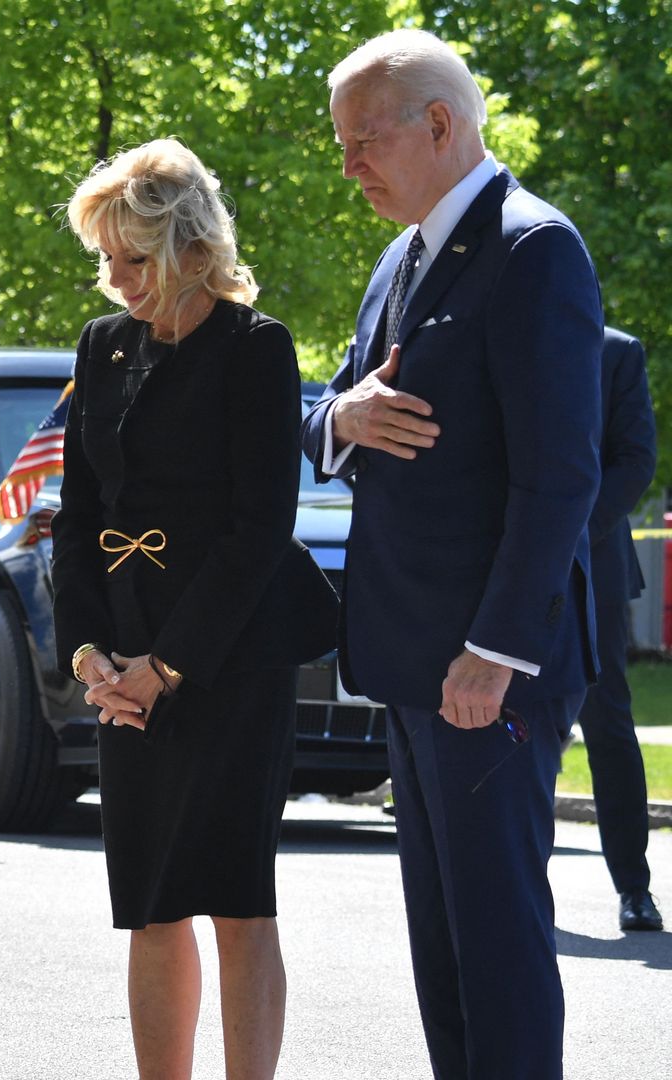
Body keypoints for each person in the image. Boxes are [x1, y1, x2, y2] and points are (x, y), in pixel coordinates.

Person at [302, 30, 603, 1080]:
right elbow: (330, 404)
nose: (349, 166)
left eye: (362, 140)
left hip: (484, 671)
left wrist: (496, 650)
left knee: (497, 947)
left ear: (439, 123)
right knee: (444, 953)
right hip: (412, 659)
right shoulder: (401, 257)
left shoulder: (534, 248)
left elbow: (561, 476)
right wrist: (342, 418)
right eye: (340, 146)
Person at [52, 138, 337, 1080]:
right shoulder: (102, 345)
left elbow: (261, 529)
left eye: (134, 258)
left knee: (236, 899)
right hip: (124, 657)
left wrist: (167, 667)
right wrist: (91, 656)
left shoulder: (256, 347)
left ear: (190, 244)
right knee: (150, 902)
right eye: (106, 258)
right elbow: (78, 514)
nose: (117, 279)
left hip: (228, 658)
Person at [581, 327, 662, 932]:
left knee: (607, 723)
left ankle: (634, 886)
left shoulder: (617, 352)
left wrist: (564, 532)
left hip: (593, 563)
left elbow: (635, 460)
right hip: (496, 564)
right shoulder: (495, 337)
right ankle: (513, 887)